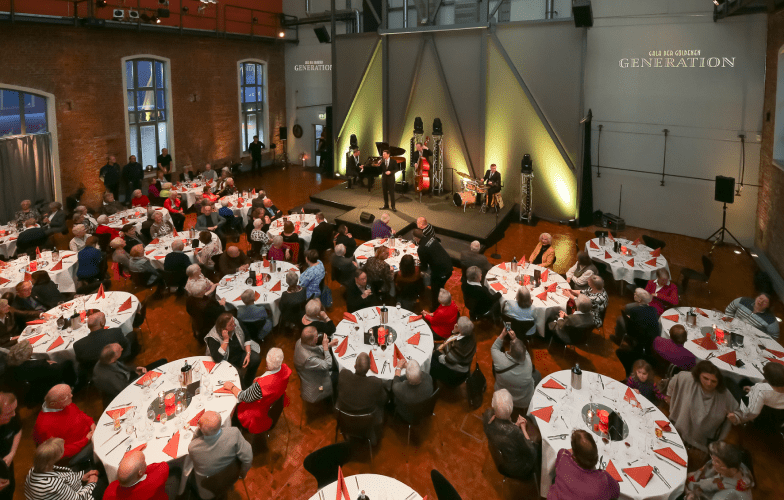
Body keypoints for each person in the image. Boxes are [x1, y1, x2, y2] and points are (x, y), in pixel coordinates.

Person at [667, 361, 738, 452]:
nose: (709, 383)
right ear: (698, 375)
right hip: (679, 429)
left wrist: (735, 417)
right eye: (705, 378)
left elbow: (738, 411)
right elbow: (674, 381)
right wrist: (669, 398)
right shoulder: (687, 379)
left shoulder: (724, 394)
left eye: (713, 381)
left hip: (701, 440)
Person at [223, 348, 291, 434]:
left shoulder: (261, 386)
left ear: (267, 363)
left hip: (254, 414)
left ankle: (236, 428)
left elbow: (244, 397)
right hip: (272, 400)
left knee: (230, 406)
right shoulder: (285, 369)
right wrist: (262, 379)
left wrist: (232, 387)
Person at [188, 411, 252, 499]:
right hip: (232, 477)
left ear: (200, 429)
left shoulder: (192, 448)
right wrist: (242, 473)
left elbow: (194, 443)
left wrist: (198, 431)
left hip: (208, 488)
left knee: (187, 476)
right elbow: (248, 458)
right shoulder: (234, 433)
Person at [482, 389, 540, 480]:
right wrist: (523, 429)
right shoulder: (515, 432)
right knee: (538, 447)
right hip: (516, 468)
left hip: (501, 456)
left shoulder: (487, 415)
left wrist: (515, 425)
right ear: (511, 408)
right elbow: (532, 451)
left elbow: (503, 434)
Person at [547, 429, 620, 500]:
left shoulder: (563, 458)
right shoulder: (603, 479)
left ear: (574, 455)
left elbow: (563, 451)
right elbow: (616, 492)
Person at [33, 385, 95, 463]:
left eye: (70, 393)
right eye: (67, 396)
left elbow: (80, 414)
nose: (71, 396)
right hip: (76, 452)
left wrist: (91, 423)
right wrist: (86, 440)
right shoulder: (44, 426)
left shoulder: (63, 404)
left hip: (88, 435)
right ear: (53, 403)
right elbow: (59, 452)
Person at [24, 437, 99, 500]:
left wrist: (81, 477)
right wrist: (91, 484)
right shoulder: (52, 484)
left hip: (71, 490)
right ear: (53, 460)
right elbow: (77, 499)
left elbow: (64, 476)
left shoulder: (34, 470)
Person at [6, 340, 77, 404]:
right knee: (68, 363)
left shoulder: (11, 365)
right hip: (44, 386)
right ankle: (71, 387)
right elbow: (56, 369)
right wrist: (52, 363)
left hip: (30, 389)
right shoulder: (37, 365)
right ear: (27, 354)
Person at [205, 313, 261, 388]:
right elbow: (217, 358)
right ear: (223, 329)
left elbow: (247, 337)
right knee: (238, 374)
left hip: (240, 354)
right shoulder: (212, 338)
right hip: (225, 361)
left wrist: (248, 354)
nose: (234, 324)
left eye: (233, 321)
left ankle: (248, 382)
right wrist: (225, 340)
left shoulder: (235, 322)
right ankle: (242, 390)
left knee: (256, 359)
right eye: (230, 324)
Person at [337, 353, 387, 436]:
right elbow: (383, 400)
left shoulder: (343, 374)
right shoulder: (375, 382)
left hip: (344, 419)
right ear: (368, 369)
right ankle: (377, 432)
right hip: (366, 421)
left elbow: (338, 389)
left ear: (354, 366)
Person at [683, 441, 754, 500]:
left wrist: (689, 494)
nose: (713, 463)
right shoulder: (736, 465)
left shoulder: (729, 495)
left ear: (732, 470)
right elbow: (696, 475)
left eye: (717, 462)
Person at [612, 288, 659, 375]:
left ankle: (618, 338)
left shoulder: (635, 310)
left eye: (635, 295)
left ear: (640, 299)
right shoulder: (653, 309)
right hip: (650, 338)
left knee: (620, 319)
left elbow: (631, 322)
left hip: (639, 335)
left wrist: (628, 317)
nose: (633, 295)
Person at [491, 327, 537, 410]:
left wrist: (502, 334)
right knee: (537, 375)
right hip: (523, 402)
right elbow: (522, 349)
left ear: (510, 352)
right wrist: (515, 338)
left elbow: (494, 348)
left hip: (503, 398)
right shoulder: (528, 361)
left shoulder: (500, 361)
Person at [727, 362, 784, 426]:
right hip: (777, 420)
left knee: (728, 381)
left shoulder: (761, 389)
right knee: (745, 381)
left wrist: (738, 418)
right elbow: (773, 395)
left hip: (761, 420)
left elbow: (753, 413)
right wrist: (753, 390)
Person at [293, 326, 338, 404]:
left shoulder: (300, 341)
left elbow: (313, 349)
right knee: (338, 374)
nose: (318, 337)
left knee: (335, 364)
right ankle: (332, 400)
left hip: (309, 372)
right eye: (316, 336)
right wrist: (325, 348)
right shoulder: (309, 359)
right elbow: (328, 365)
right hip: (317, 386)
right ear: (311, 341)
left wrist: (329, 344)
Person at [103, 449, 170, 500]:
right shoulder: (154, 481)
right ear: (140, 472)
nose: (145, 462)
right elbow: (164, 465)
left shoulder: (109, 491)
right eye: (144, 461)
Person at [430, 316, 477, 385]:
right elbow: (453, 340)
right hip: (461, 365)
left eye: (458, 324)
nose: (456, 324)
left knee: (431, 361)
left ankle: (433, 382)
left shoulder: (460, 346)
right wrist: (455, 331)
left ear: (460, 330)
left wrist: (436, 353)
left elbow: (447, 360)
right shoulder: (471, 336)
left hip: (456, 374)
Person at [413, 228, 453, 309]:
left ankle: (435, 309)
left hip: (441, 271)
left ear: (416, 238)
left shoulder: (421, 249)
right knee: (440, 286)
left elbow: (424, 267)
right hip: (449, 264)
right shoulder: (431, 237)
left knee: (435, 290)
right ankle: (441, 293)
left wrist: (417, 265)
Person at [0, 393, 21, 500]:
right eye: (9, 413)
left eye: (15, 410)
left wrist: (12, 452)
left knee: (9, 492)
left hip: (6, 469)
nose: (14, 414)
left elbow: (17, 430)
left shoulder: (13, 416)